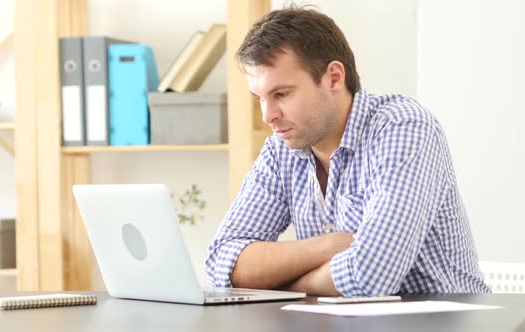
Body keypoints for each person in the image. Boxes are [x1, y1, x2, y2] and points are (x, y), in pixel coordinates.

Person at [204, 6, 490, 297]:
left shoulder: (404, 127)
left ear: (334, 77)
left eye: (282, 94)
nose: (268, 116)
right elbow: (222, 264)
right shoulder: (282, 150)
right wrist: (328, 246)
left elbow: (369, 278)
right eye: (260, 98)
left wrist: (279, 285)